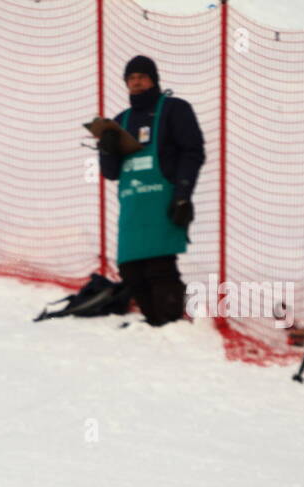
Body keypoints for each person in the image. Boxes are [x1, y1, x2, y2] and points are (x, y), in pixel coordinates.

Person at [98, 55, 205, 326]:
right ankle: (154, 321)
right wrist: (106, 148)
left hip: (163, 200)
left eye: (142, 77)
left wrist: (182, 194)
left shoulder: (174, 109)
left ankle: (171, 323)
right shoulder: (121, 120)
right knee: (130, 268)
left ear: (154, 79)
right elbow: (110, 172)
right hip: (133, 206)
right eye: (131, 78)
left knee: (159, 264)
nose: (136, 82)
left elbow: (193, 152)